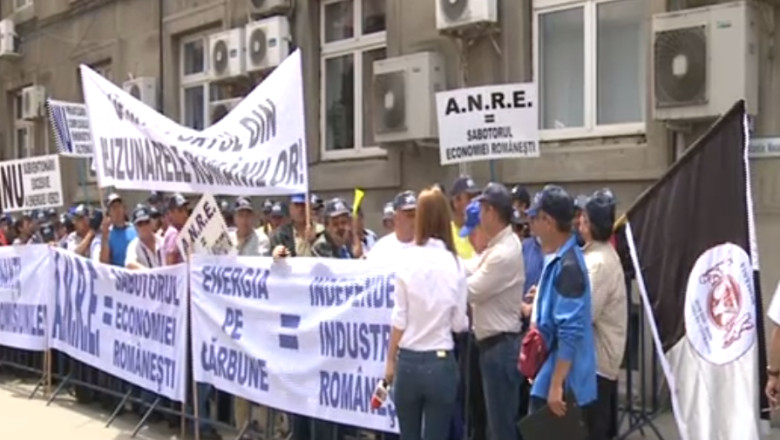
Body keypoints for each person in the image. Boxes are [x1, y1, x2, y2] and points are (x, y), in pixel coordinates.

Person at [385, 186, 469, 440]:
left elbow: (399, 318)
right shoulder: (455, 263)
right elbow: (458, 324)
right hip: (441, 358)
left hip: (409, 360)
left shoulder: (407, 260)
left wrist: (390, 361)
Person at [524, 185, 597, 431]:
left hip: (563, 386)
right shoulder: (559, 260)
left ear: (549, 221)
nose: (531, 225)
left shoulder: (569, 267)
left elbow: (570, 331)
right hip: (552, 377)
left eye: (535, 218)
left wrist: (556, 384)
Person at [465, 182, 525, 440]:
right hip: (493, 347)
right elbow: (471, 265)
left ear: (490, 211)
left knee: (501, 428)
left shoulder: (503, 252)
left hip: (500, 349)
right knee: (494, 423)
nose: (479, 216)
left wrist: (439, 278)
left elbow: (469, 290)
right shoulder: (499, 244)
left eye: (481, 209)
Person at [579, 189, 626, 440]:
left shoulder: (597, 263)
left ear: (590, 225)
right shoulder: (599, 256)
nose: (579, 223)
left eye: (583, 219)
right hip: (598, 365)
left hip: (596, 366)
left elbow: (584, 314)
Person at [367, 191, 416, 261]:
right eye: (410, 216)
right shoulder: (381, 250)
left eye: (418, 215)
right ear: (396, 218)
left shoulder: (434, 247)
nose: (415, 220)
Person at [99, 193, 137, 266]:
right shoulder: (107, 235)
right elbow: (103, 263)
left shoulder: (135, 229)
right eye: (113, 208)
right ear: (109, 213)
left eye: (119, 206)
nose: (117, 210)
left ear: (124, 209)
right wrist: (104, 236)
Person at [449, 175, 480, 259]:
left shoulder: (483, 230)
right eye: (470, 197)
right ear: (456, 201)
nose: (475, 202)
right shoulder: (446, 233)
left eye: (476, 197)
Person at [125, 205, 164, 269]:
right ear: (135, 227)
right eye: (140, 224)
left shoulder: (162, 242)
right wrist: (150, 274)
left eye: (146, 222)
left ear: (152, 222)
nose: (144, 226)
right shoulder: (133, 246)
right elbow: (129, 264)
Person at [163, 193, 189, 265]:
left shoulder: (181, 231)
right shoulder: (174, 233)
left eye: (186, 210)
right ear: (171, 213)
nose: (185, 214)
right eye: (180, 211)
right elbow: (170, 265)